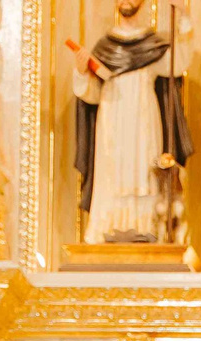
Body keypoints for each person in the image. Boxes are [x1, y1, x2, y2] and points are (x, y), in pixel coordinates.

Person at [66, 0, 193, 246]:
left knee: (143, 172)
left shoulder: (152, 45)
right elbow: (91, 95)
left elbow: (180, 62)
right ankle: (107, 230)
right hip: (111, 119)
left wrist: (185, 17)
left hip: (144, 118)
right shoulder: (104, 47)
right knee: (112, 174)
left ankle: (147, 229)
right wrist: (82, 72)